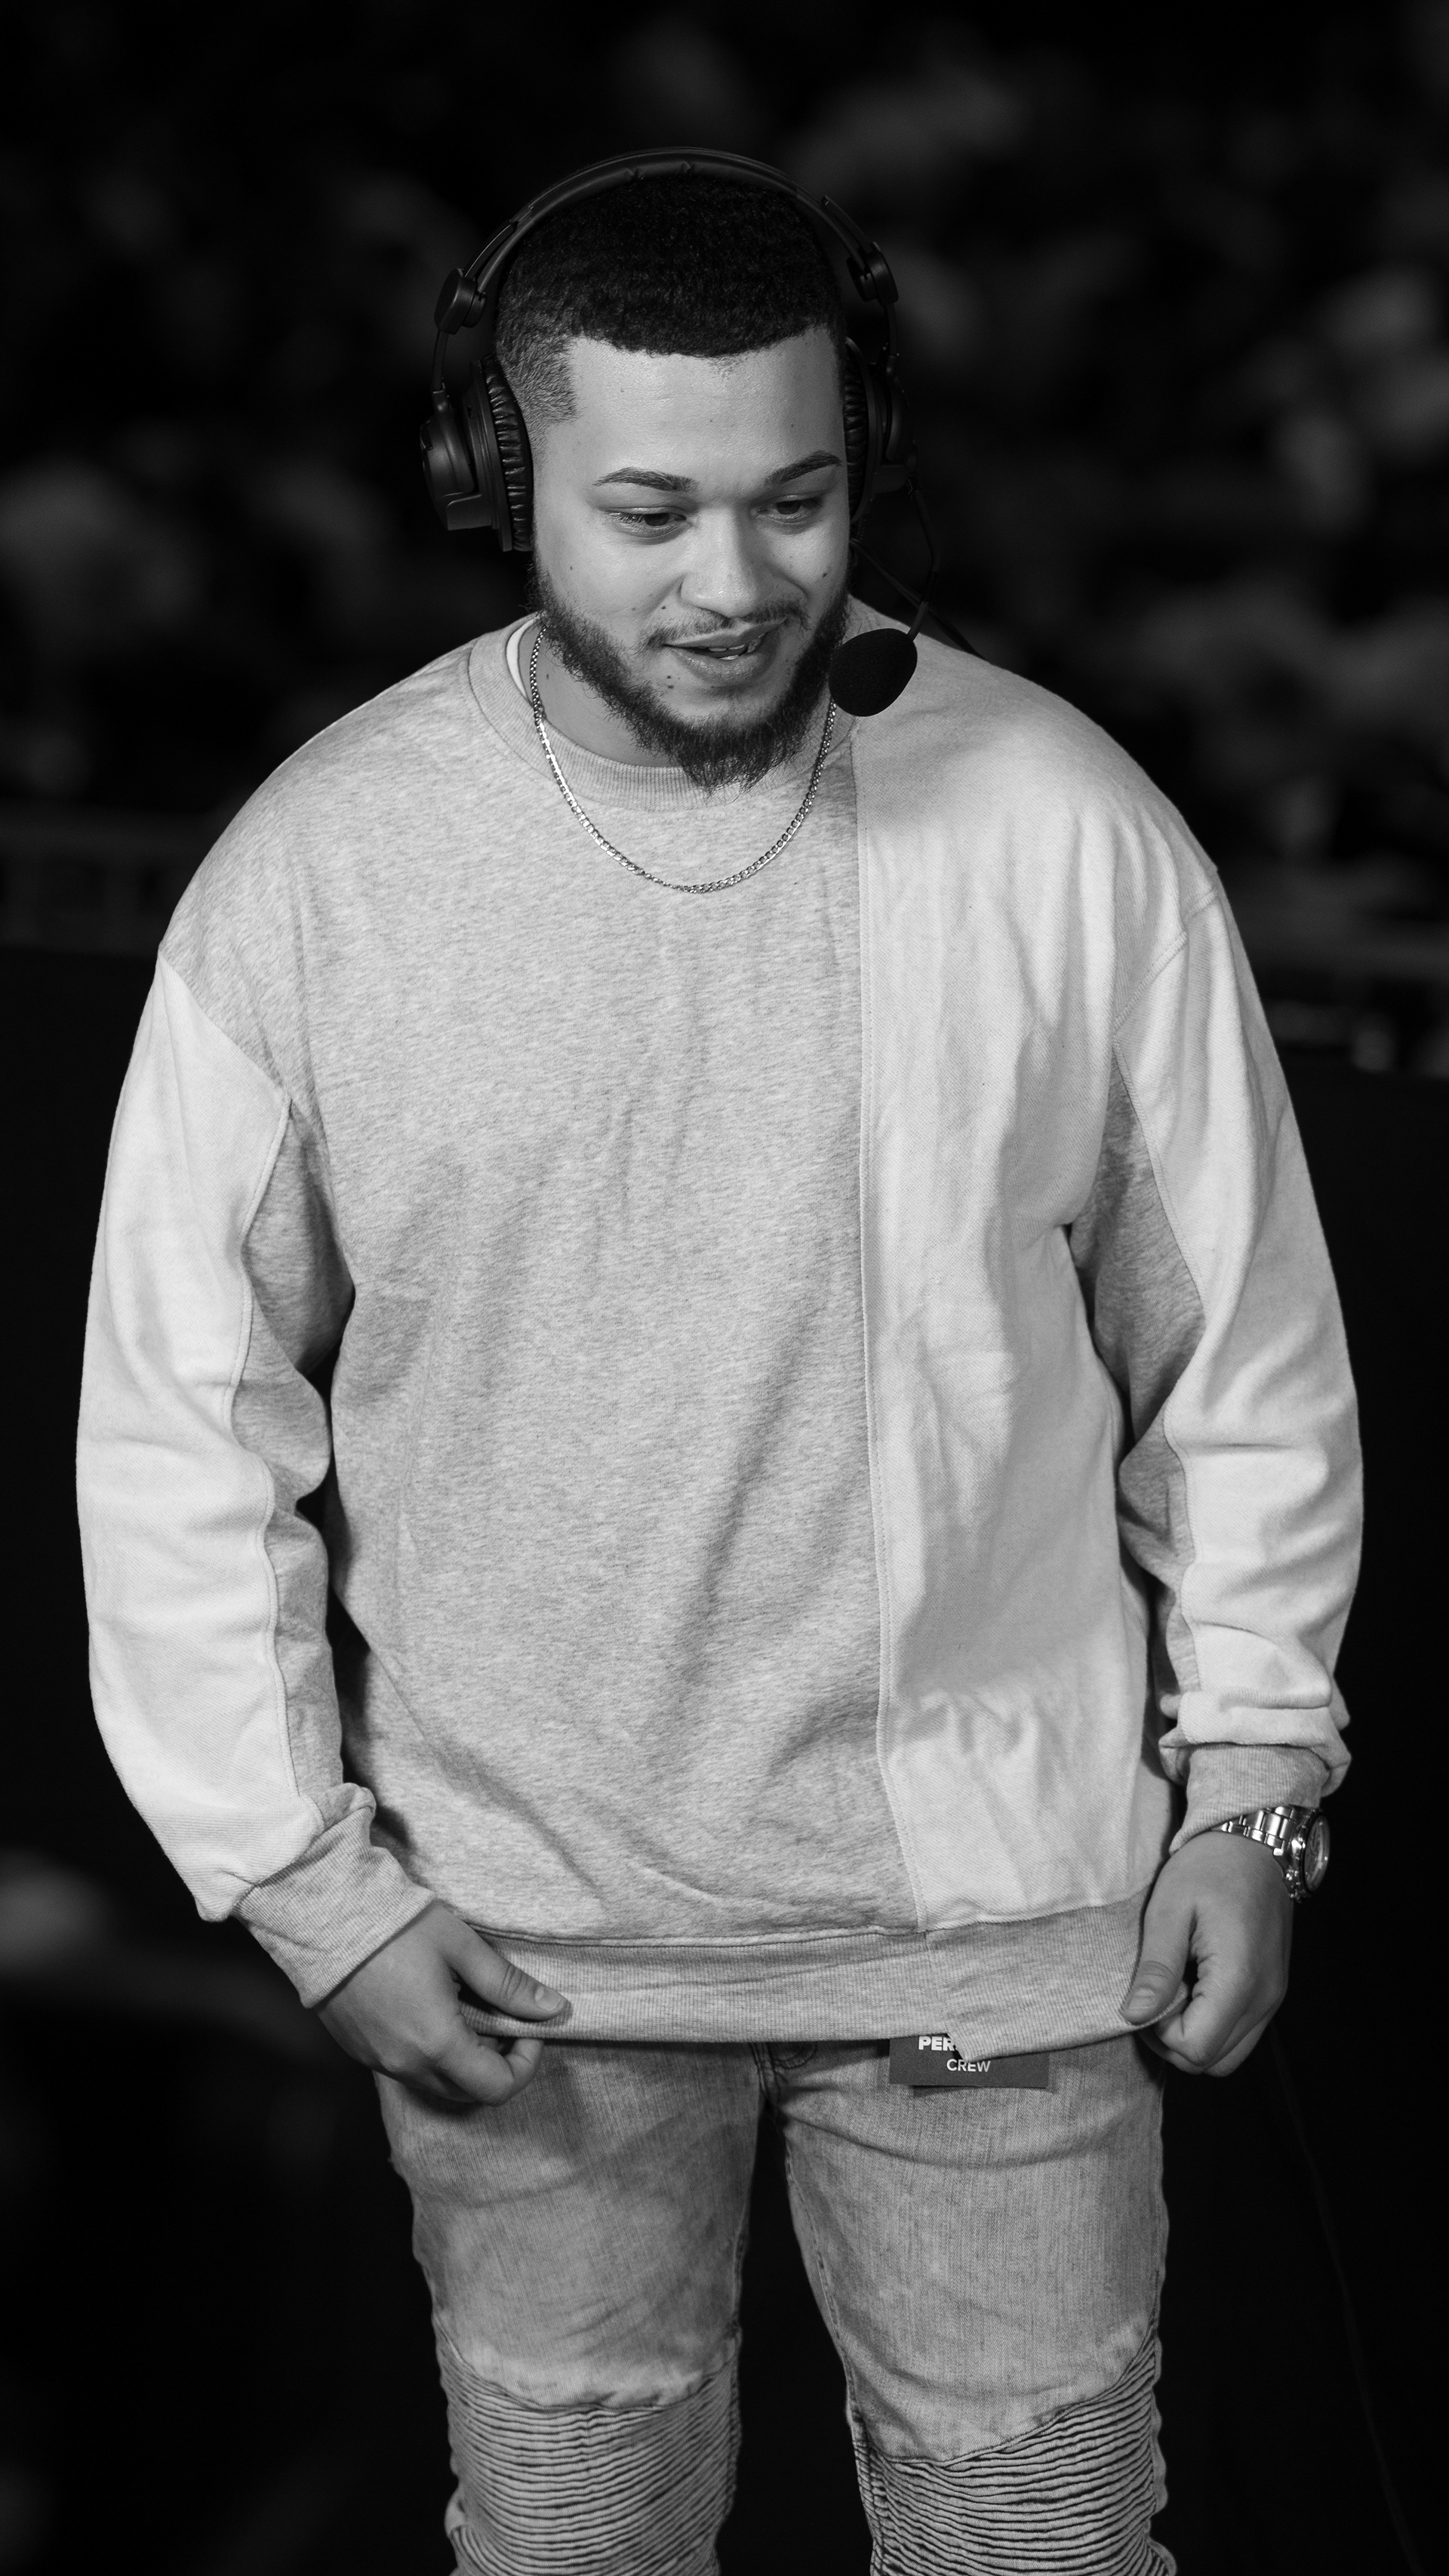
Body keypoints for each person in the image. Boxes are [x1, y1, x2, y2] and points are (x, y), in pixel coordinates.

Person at [78, 165, 1359, 2576]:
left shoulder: (1069, 827)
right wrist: (306, 1886)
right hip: (521, 1951)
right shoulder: (322, 868)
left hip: (1002, 1931)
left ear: (866, 454)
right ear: (498, 473)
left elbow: (1243, 1348)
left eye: (797, 497)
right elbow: (178, 1416)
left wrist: (1257, 1776)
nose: (739, 575)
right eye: (650, 510)